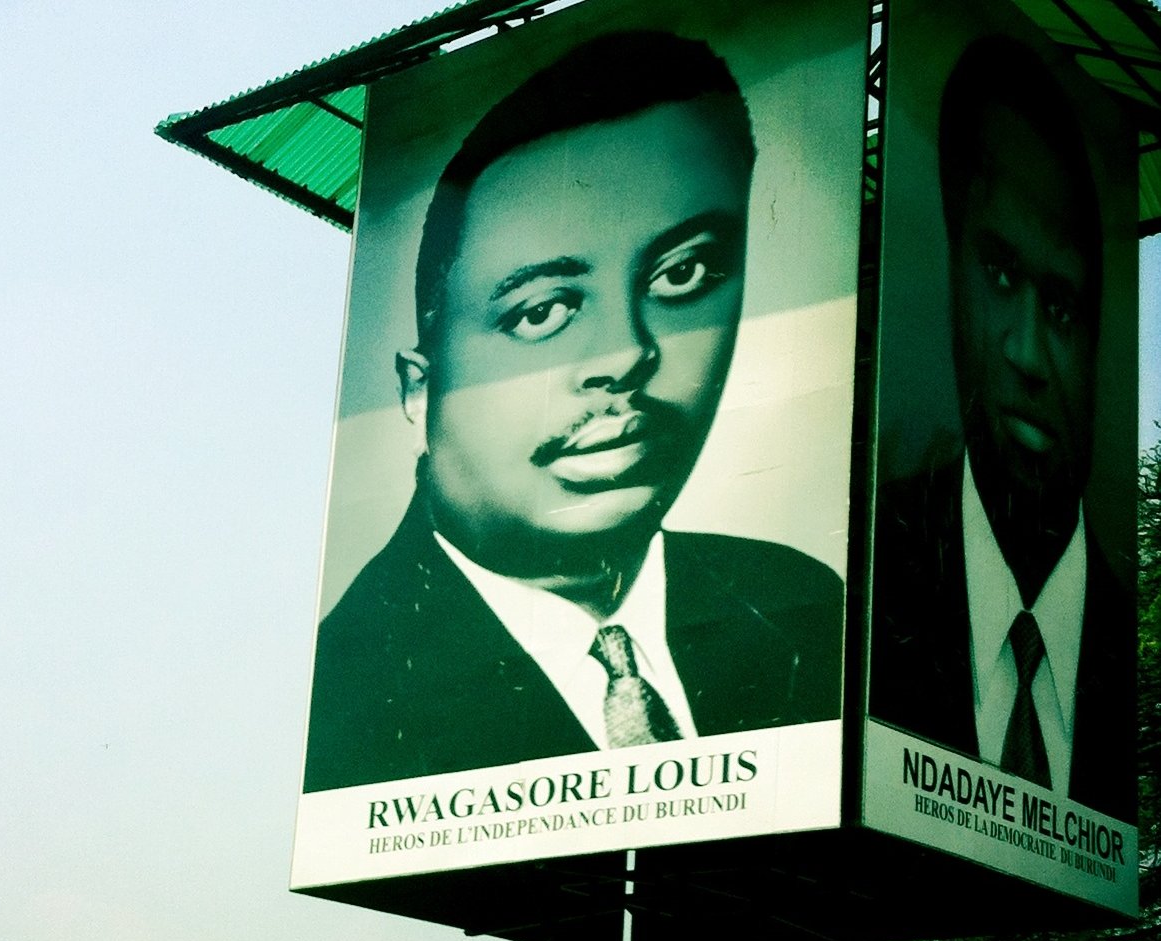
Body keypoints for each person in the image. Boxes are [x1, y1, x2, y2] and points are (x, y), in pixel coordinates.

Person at [302, 31, 844, 794]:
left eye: (682, 273)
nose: (627, 354)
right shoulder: (354, 703)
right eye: (540, 312)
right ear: (420, 388)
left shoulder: (805, 605)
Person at [869, 35, 1133, 821]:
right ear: (953, 271)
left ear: (1096, 333)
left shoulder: (1130, 653)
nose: (1027, 354)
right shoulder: (863, 587)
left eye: (1059, 305)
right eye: (999, 273)